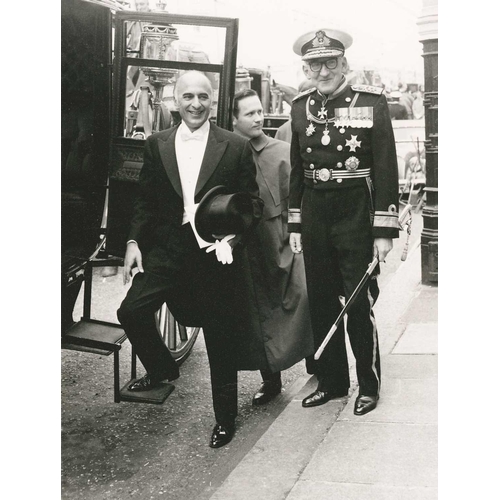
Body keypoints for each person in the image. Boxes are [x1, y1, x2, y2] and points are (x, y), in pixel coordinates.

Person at [117, 71, 264, 448]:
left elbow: (253, 206)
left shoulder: (235, 146)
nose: (195, 104)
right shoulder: (157, 143)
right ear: (174, 100)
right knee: (131, 311)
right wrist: (133, 242)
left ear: (212, 101)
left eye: (203, 97)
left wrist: (234, 237)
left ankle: (225, 419)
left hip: (213, 252)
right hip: (167, 248)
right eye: (188, 97)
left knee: (219, 336)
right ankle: (164, 368)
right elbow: (145, 201)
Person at [288, 29, 399, 416]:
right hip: (316, 213)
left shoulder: (371, 102)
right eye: (314, 64)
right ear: (307, 67)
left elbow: (385, 167)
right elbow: (298, 172)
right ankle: (333, 382)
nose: (322, 71)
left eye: (329, 63)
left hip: (355, 213)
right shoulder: (300, 107)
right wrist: (296, 224)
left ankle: (368, 384)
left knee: (357, 303)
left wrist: (384, 230)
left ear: (344, 64)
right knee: (321, 302)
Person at [232, 89, 314, 406]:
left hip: (283, 237)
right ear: (234, 119)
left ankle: (316, 361)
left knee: (303, 296)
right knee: (258, 311)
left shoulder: (282, 151)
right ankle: (271, 379)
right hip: (249, 244)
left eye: (259, 111)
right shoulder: (229, 154)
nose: (258, 117)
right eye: (249, 113)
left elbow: (299, 198)